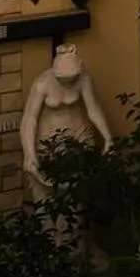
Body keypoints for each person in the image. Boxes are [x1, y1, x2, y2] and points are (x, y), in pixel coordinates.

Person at [19, 43, 112, 198]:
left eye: (72, 79)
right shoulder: (42, 84)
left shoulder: (84, 79)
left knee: (76, 197)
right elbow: (29, 119)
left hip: (78, 139)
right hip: (50, 144)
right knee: (47, 198)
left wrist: (108, 138)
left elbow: (93, 109)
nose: (69, 84)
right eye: (63, 80)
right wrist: (30, 153)